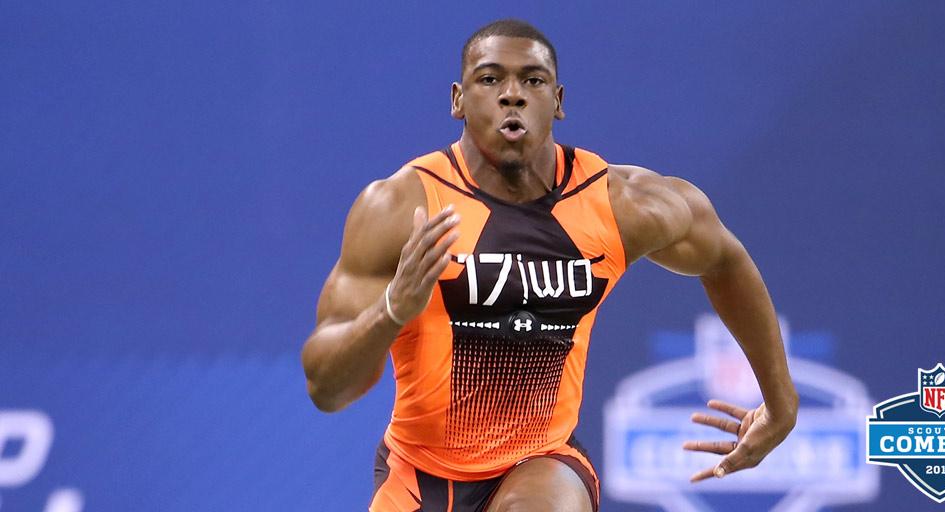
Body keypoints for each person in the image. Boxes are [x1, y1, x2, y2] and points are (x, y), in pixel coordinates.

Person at [301, 19, 798, 512]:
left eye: (532, 80)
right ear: (458, 99)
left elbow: (725, 260)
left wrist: (781, 405)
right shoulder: (400, 207)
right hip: (418, 476)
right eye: (490, 79)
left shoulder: (618, 204)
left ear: (557, 101)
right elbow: (327, 388)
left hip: (543, 464)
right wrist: (391, 309)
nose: (511, 95)